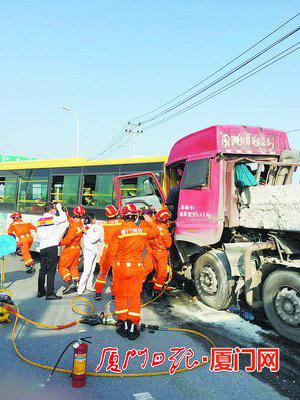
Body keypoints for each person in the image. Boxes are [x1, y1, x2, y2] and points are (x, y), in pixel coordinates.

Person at [109, 203, 159, 340]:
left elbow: (111, 253)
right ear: (136, 216)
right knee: (134, 296)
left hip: (121, 267)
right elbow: (156, 232)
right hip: (137, 267)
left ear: (123, 217)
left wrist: (116, 266)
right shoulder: (142, 231)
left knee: (121, 296)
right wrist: (150, 221)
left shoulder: (118, 232)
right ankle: (133, 325)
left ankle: (122, 323)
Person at [36, 202, 67, 300]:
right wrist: (60, 208)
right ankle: (50, 293)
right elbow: (64, 218)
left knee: (43, 269)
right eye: (54, 209)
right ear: (51, 210)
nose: (55, 210)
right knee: (51, 271)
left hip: (42, 247)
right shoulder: (53, 218)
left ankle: (40, 291)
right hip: (51, 247)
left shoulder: (39, 220)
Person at [93, 205, 123, 300]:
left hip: (106, 250)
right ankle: (114, 294)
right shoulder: (121, 223)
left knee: (103, 272)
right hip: (117, 249)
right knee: (116, 273)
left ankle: (98, 292)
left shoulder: (105, 224)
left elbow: (100, 225)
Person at [58, 206, 85, 295]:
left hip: (70, 249)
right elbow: (72, 221)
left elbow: (67, 240)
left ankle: (69, 282)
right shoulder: (80, 224)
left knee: (62, 266)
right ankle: (76, 283)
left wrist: (58, 242)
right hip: (77, 249)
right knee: (73, 267)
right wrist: (66, 215)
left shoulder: (73, 227)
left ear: (75, 215)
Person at [77, 213, 103, 295]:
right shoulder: (87, 228)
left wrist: (98, 235)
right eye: (94, 218)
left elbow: (100, 239)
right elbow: (93, 239)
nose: (95, 219)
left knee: (92, 270)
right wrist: (98, 234)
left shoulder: (92, 227)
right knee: (87, 271)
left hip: (94, 250)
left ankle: (89, 286)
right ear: (91, 219)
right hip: (89, 251)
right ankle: (80, 288)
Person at [150, 209, 172, 297]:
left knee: (156, 271)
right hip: (161, 253)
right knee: (162, 273)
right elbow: (168, 244)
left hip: (153, 251)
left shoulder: (153, 224)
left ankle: (151, 285)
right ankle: (156, 291)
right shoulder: (165, 232)